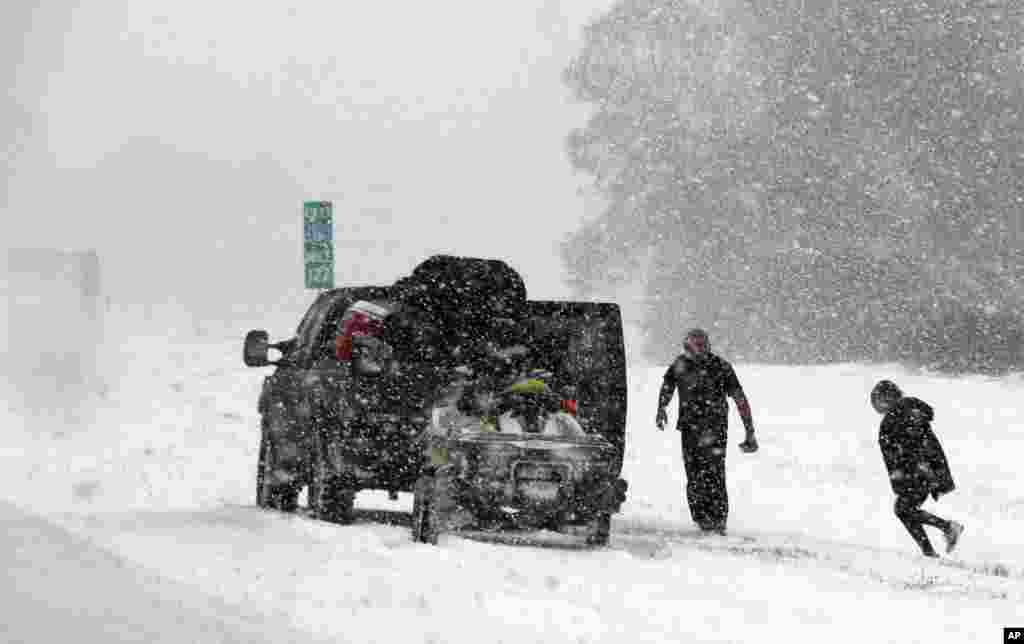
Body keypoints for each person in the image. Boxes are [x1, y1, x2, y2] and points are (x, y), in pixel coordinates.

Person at [655, 328, 758, 535]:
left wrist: (749, 430)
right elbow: (667, 387)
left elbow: (740, 398)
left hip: (714, 430)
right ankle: (703, 519)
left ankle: (717, 521)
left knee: (713, 475)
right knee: (695, 476)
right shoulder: (680, 365)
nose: (699, 350)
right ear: (687, 347)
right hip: (691, 429)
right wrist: (661, 408)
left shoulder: (720, 366)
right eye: (695, 345)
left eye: (702, 345)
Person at [870, 380, 964, 558]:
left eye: (877, 400)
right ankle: (932, 547)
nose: (876, 406)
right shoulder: (906, 412)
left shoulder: (900, 414)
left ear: (887, 398)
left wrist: (917, 468)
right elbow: (915, 444)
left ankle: (946, 531)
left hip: (918, 471)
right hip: (921, 470)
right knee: (904, 508)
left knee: (903, 508)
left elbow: (911, 445)